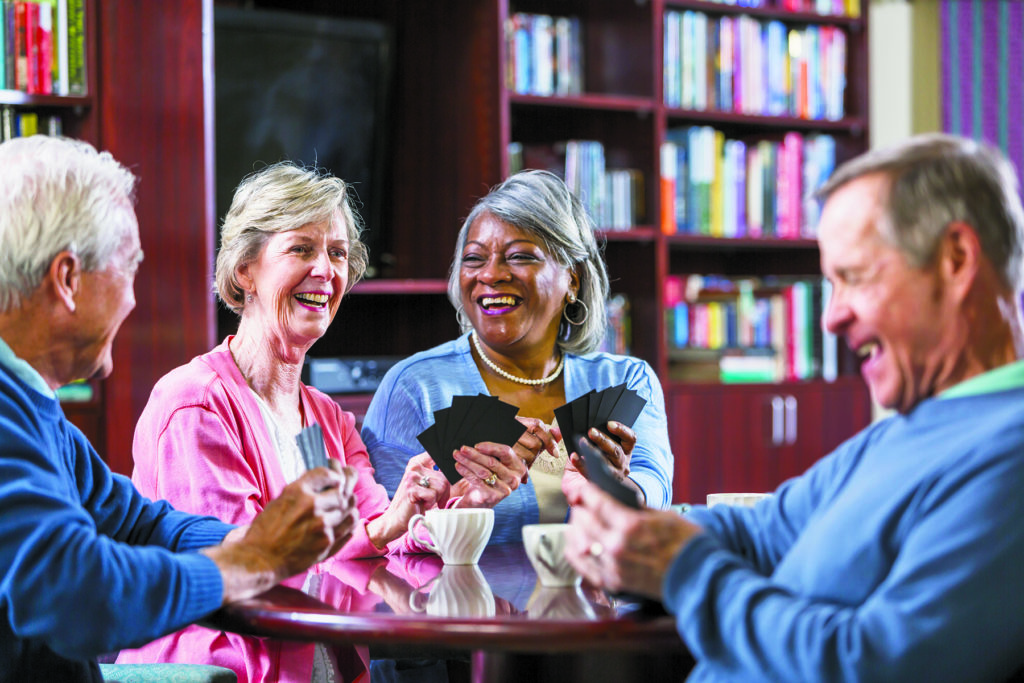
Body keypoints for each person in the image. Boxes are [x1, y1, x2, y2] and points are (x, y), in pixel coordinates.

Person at [564, 133, 1024, 682]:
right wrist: (633, 533)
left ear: (956, 259)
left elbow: (875, 667)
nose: (830, 318)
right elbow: (761, 533)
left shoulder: (1008, 455)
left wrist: (682, 569)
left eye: (853, 278)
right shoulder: (900, 434)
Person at [115, 161, 504, 682]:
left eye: (338, 253)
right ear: (244, 271)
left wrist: (424, 508)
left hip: (316, 661)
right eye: (301, 248)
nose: (326, 269)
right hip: (224, 669)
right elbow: (247, 565)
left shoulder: (329, 418)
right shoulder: (195, 404)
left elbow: (370, 533)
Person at [0, 136, 360, 683]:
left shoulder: (32, 407)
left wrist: (253, 542)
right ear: (68, 280)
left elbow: (136, 522)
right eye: (129, 266)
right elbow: (72, 593)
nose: (133, 298)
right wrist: (249, 561)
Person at [362, 170, 673, 545]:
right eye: (474, 259)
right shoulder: (415, 386)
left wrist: (618, 489)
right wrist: (463, 505)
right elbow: (385, 540)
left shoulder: (624, 380)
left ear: (572, 279)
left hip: (595, 601)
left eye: (520, 256)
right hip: (455, 601)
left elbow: (655, 496)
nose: (491, 274)